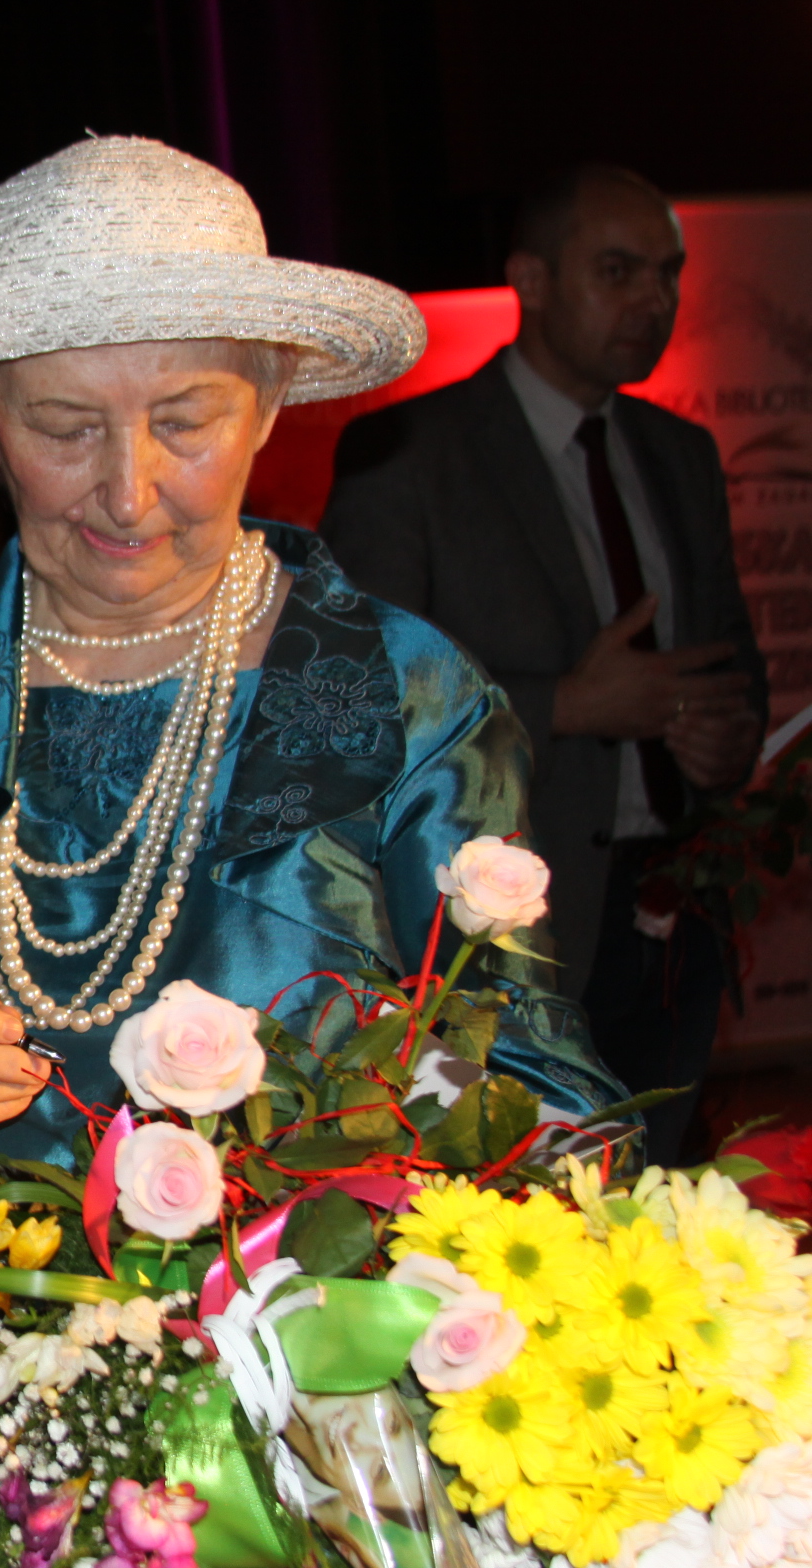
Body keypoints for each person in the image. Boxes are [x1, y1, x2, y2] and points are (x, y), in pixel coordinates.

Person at [0, 137, 625, 1245]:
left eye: (184, 422)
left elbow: (548, 1107)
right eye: (65, 428)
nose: (128, 491)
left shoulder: (401, 699)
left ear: (269, 403)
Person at [322, 164, 765, 1166]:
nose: (653, 300)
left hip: (675, 913)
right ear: (530, 278)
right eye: (618, 271)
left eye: (668, 274)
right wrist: (566, 704)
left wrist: (725, 737)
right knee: (526, 1216)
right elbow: (354, 700)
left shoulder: (680, 452)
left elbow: (731, 658)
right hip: (505, 931)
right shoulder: (409, 452)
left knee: (663, 1200)